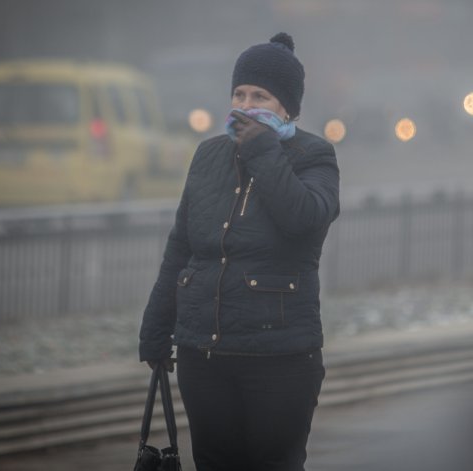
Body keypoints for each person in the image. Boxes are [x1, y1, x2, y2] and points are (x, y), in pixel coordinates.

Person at [138, 32, 340, 471]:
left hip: (280, 359)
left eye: (261, 96)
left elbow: (303, 219)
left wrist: (263, 149)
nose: (246, 104)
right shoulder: (209, 154)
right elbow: (181, 247)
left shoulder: (314, 155)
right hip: (204, 355)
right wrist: (157, 326)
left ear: (287, 106)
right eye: (240, 93)